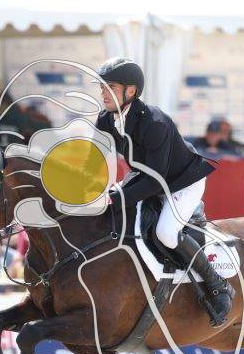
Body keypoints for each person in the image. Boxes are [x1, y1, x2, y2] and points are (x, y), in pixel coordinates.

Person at [95, 57, 232, 326]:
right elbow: (94, 158)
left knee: (166, 233)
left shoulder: (154, 122)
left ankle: (218, 286)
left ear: (130, 91)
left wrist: (115, 198)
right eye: (101, 88)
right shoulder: (105, 119)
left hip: (180, 181)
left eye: (110, 87)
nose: (103, 94)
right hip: (145, 175)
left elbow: (156, 183)